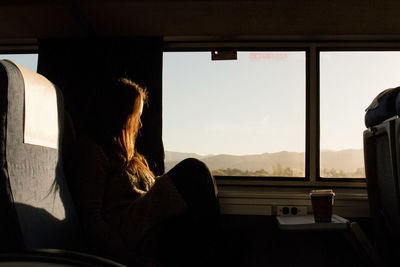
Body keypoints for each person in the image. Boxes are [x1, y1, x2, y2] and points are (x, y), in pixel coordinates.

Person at [70, 77, 220, 266]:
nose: (140, 125)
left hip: (150, 224)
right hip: (133, 234)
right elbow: (92, 223)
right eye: (137, 116)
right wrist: (134, 260)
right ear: (121, 115)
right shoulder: (93, 152)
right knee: (193, 170)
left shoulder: (128, 157)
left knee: (195, 212)